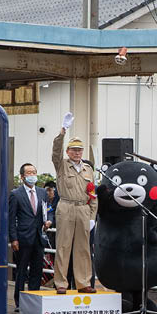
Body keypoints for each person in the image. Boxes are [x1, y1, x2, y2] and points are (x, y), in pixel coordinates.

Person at [51, 113, 97, 293]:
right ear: (68, 151)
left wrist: (92, 215)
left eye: (80, 150)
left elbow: (93, 194)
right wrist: (63, 132)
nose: (77, 153)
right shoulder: (61, 164)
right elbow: (55, 151)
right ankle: (61, 283)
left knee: (83, 248)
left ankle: (83, 282)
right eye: (74, 150)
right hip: (67, 206)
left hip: (83, 208)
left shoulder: (88, 169)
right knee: (63, 245)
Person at [8, 163, 50, 311]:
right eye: (29, 173)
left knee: (37, 270)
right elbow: (11, 218)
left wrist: (48, 220)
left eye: (34, 172)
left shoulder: (42, 192)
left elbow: (47, 210)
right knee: (21, 271)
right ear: (22, 176)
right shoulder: (15, 194)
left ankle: (34, 301)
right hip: (23, 238)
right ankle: (20, 303)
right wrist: (13, 238)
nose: (32, 175)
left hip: (38, 236)